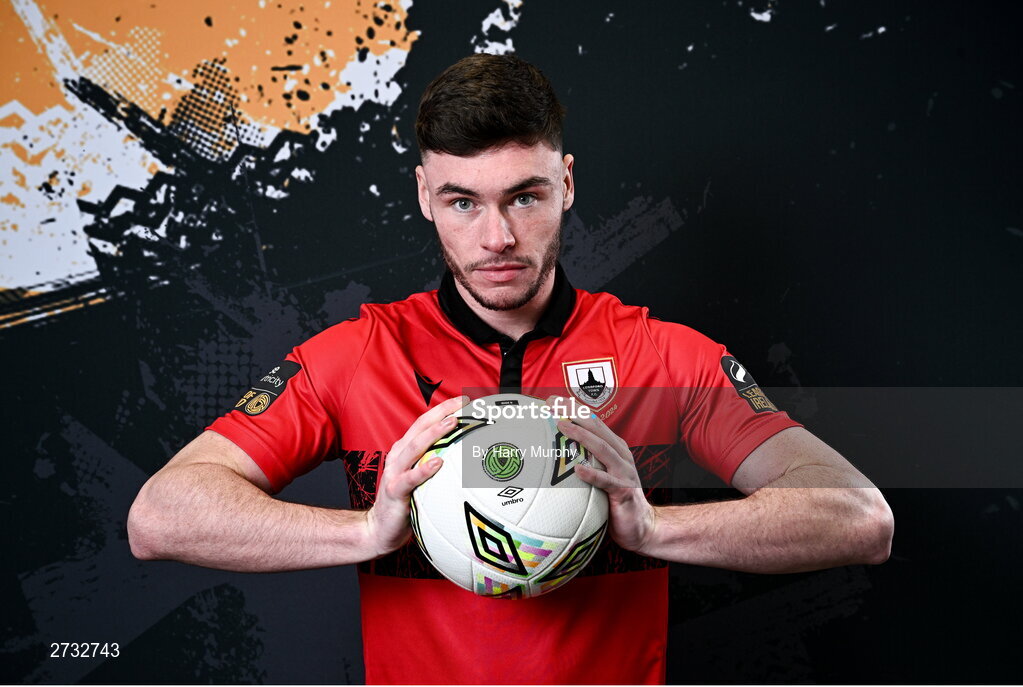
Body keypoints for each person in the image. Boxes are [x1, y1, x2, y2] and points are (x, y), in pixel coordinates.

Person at [127, 54, 894, 684]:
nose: (496, 236)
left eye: (524, 196)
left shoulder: (661, 353)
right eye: (463, 202)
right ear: (425, 196)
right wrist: (369, 529)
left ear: (564, 182)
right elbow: (161, 515)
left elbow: (859, 518)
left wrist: (653, 526)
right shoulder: (356, 355)